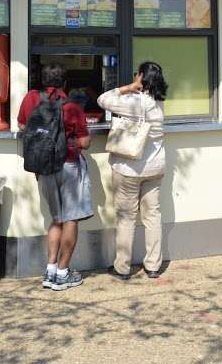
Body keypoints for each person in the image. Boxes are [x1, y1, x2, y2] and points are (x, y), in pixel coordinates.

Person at [17, 63, 92, 291]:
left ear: (42, 80)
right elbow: (85, 142)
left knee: (57, 218)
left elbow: (21, 125)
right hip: (68, 165)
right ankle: (63, 272)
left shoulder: (31, 98)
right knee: (72, 218)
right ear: (65, 83)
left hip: (44, 167)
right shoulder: (72, 106)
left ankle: (50, 271)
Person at [97, 61, 168, 280]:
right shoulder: (159, 103)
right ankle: (153, 265)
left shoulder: (132, 101)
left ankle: (123, 267)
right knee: (152, 215)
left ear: (140, 77)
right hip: (155, 167)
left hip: (129, 168)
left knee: (126, 217)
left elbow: (102, 100)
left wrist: (127, 87)